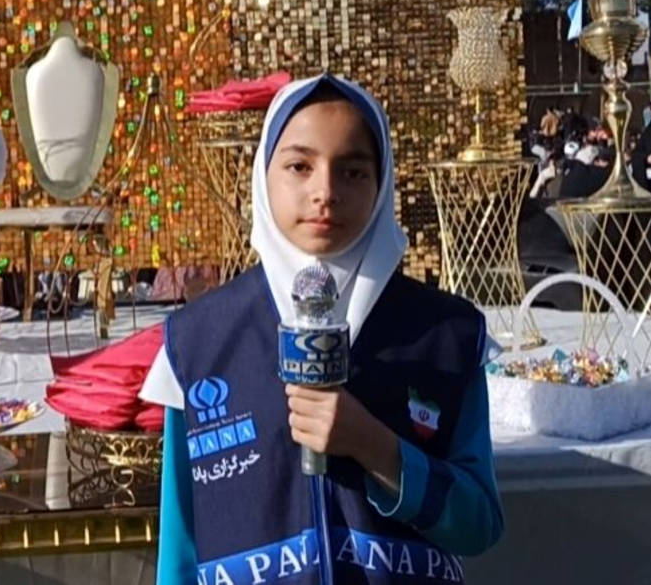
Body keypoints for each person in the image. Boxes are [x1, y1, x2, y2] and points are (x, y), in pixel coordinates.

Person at [141, 74, 503, 584]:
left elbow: (478, 525)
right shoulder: (201, 341)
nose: (325, 192)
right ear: (263, 175)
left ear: (382, 182)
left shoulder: (445, 335)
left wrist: (377, 448)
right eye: (299, 167)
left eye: (352, 172)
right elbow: (180, 547)